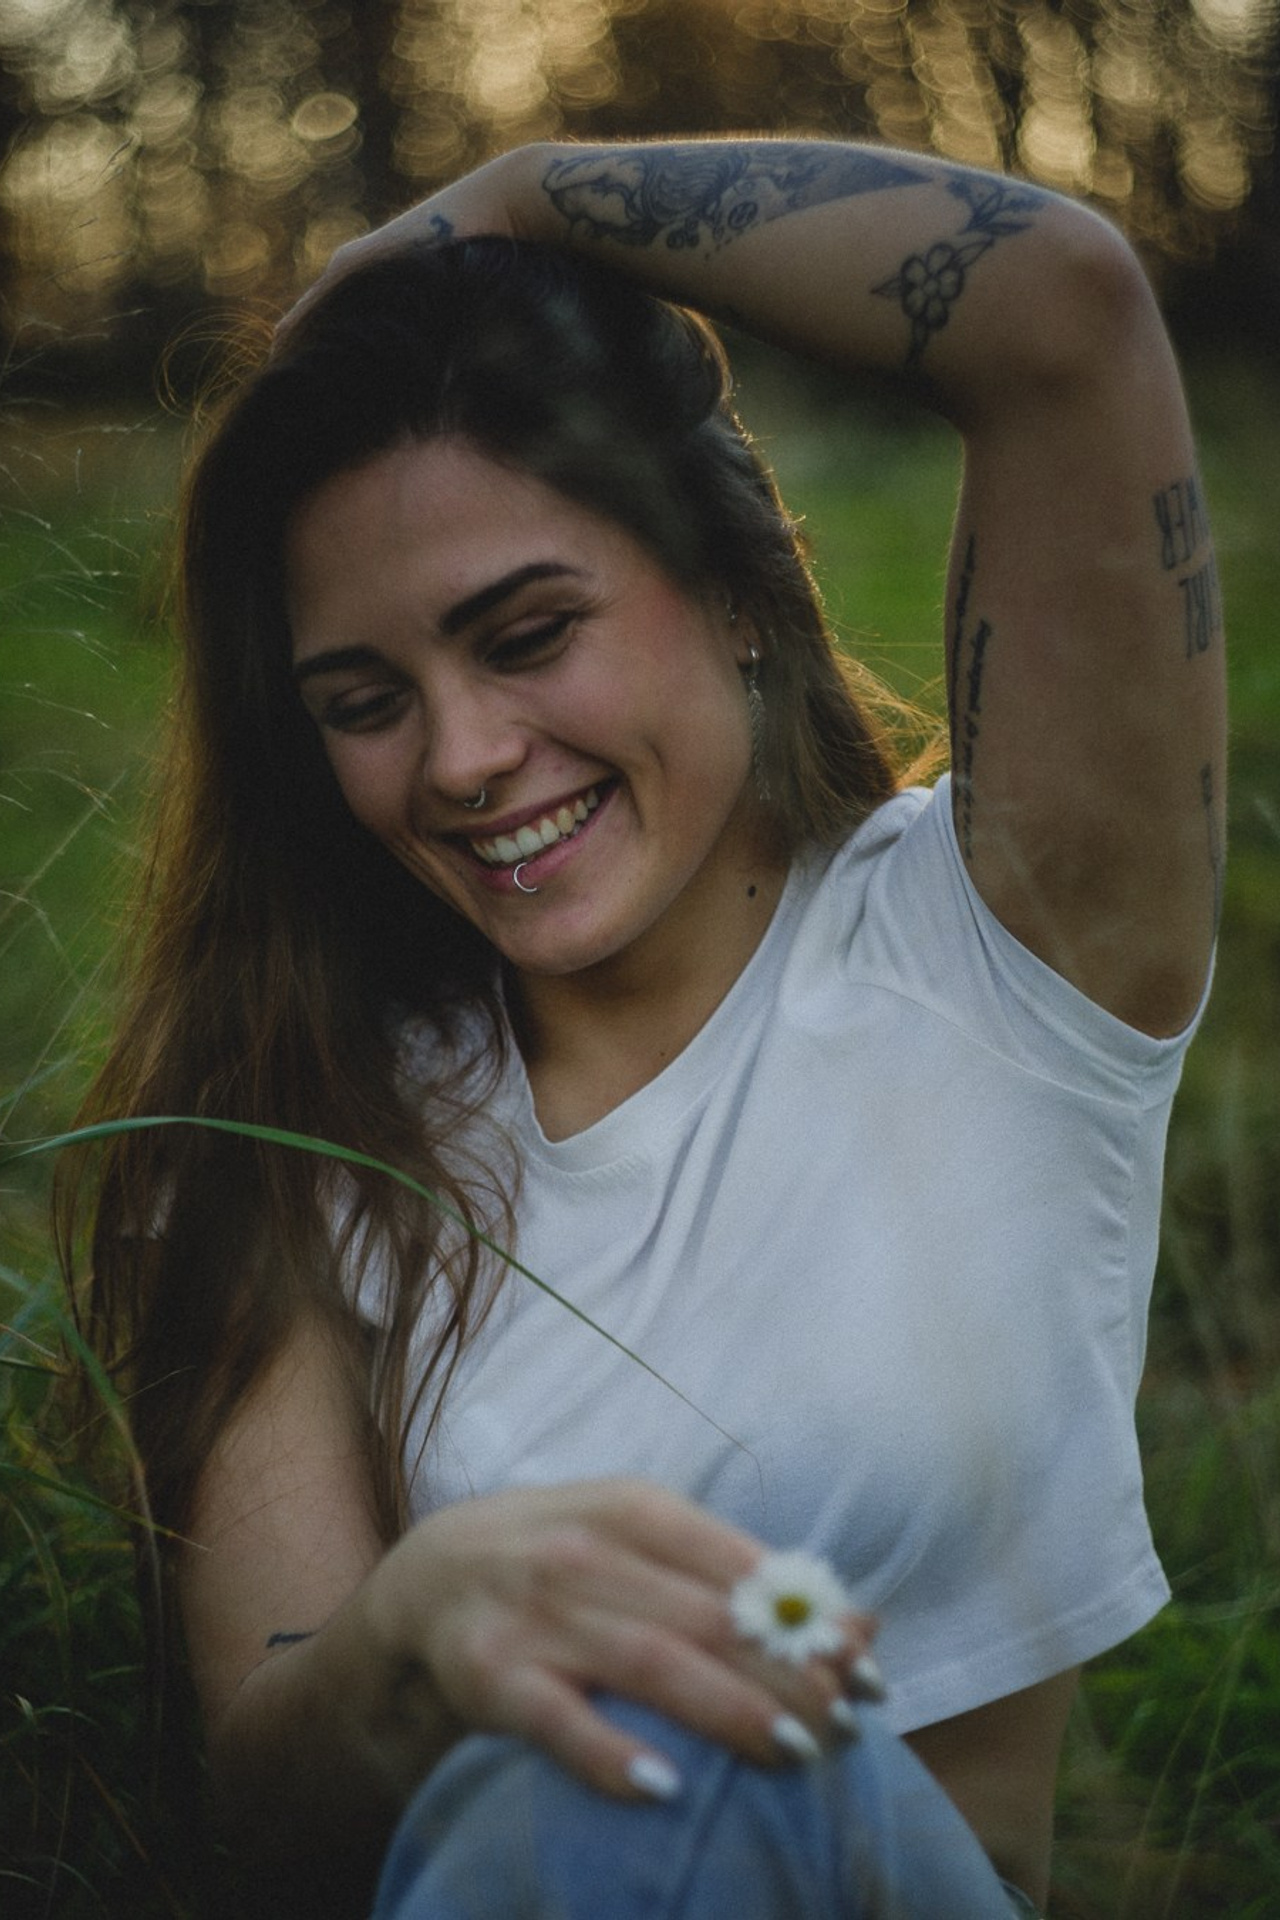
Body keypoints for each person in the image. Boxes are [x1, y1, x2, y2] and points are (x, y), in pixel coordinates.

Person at [61, 136, 1225, 1918]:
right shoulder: (299, 1128)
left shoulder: (1003, 951)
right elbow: (274, 1826)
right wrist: (423, 1635)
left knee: (656, 1770)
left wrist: (522, 198)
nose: (458, 759)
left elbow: (1059, 308)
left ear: (741, 594)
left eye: (528, 634)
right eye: (367, 701)